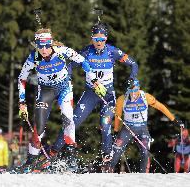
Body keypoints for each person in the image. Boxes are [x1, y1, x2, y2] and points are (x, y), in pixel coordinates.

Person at [52, 22, 138, 165]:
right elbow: (70, 65)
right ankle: (53, 151)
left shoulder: (112, 52)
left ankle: (107, 156)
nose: (99, 42)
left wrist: (132, 78)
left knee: (105, 124)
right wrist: (67, 80)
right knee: (72, 122)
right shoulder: (86, 52)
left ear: (106, 38)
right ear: (92, 38)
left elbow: (133, 64)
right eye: (96, 39)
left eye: (102, 39)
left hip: (108, 95)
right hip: (90, 94)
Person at [18, 28, 94, 171]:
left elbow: (83, 61)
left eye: (47, 45)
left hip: (64, 89)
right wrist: (22, 103)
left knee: (68, 120)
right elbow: (21, 78)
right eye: (40, 46)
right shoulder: (33, 57)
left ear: (51, 43)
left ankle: (72, 159)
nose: (44, 50)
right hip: (46, 91)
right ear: (36, 45)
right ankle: (30, 162)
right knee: (39, 126)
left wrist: (94, 80)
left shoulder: (62, 51)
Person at [108, 79, 184, 173]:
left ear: (138, 88)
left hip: (142, 128)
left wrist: (173, 119)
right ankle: (109, 170)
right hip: (127, 128)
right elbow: (118, 116)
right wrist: (116, 130)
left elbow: (161, 107)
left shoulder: (145, 97)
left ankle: (142, 175)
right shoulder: (122, 99)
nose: (133, 93)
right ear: (127, 90)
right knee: (117, 149)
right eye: (130, 90)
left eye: (135, 90)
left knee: (145, 152)